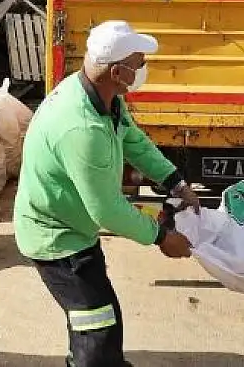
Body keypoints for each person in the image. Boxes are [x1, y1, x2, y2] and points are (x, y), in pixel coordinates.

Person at [14, 20, 200, 367]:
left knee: (101, 318)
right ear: (118, 71)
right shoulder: (81, 128)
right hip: (57, 240)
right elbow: (107, 210)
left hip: (73, 229)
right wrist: (162, 238)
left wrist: (176, 182)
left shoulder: (104, 99)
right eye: (139, 64)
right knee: (96, 329)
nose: (144, 69)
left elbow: (133, 140)